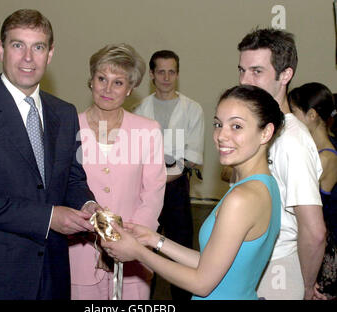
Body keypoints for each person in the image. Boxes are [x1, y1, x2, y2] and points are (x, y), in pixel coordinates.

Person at [0, 9, 99, 300]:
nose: (28, 57)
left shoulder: (64, 113)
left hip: (52, 273)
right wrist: (49, 217)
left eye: (38, 47)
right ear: (1, 49)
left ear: (50, 54)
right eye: (18, 45)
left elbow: (73, 179)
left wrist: (88, 205)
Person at [103, 85, 284, 300]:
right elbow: (210, 263)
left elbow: (202, 283)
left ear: (265, 132)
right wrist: (154, 240)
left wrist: (138, 252)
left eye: (236, 126)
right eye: (218, 124)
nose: (221, 136)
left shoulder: (242, 198)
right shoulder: (266, 185)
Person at [68, 44, 166, 300]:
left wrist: (124, 244)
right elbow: (63, 189)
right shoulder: (68, 127)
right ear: (91, 81)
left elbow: (153, 195)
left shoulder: (148, 130)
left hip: (133, 254)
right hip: (79, 255)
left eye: (118, 82)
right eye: (102, 79)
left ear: (130, 89)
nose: (107, 89)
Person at [237, 28, 326, 300]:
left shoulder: (292, 140)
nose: (244, 81)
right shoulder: (260, 130)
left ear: (285, 75)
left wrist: (307, 287)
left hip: (276, 269)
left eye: (256, 71)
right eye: (241, 70)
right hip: (248, 264)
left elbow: (314, 230)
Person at [134, 50, 204, 300]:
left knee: (180, 249)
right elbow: (135, 155)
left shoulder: (192, 109)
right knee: (142, 246)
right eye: (160, 71)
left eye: (171, 71)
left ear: (177, 74)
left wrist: (159, 180)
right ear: (152, 75)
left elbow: (191, 156)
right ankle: (142, 299)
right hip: (143, 190)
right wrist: (150, 183)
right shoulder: (140, 109)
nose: (166, 77)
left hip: (175, 189)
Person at [289, 82, 337, 299]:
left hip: (321, 249)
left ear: (311, 115)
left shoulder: (326, 157)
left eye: (294, 113)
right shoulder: (311, 150)